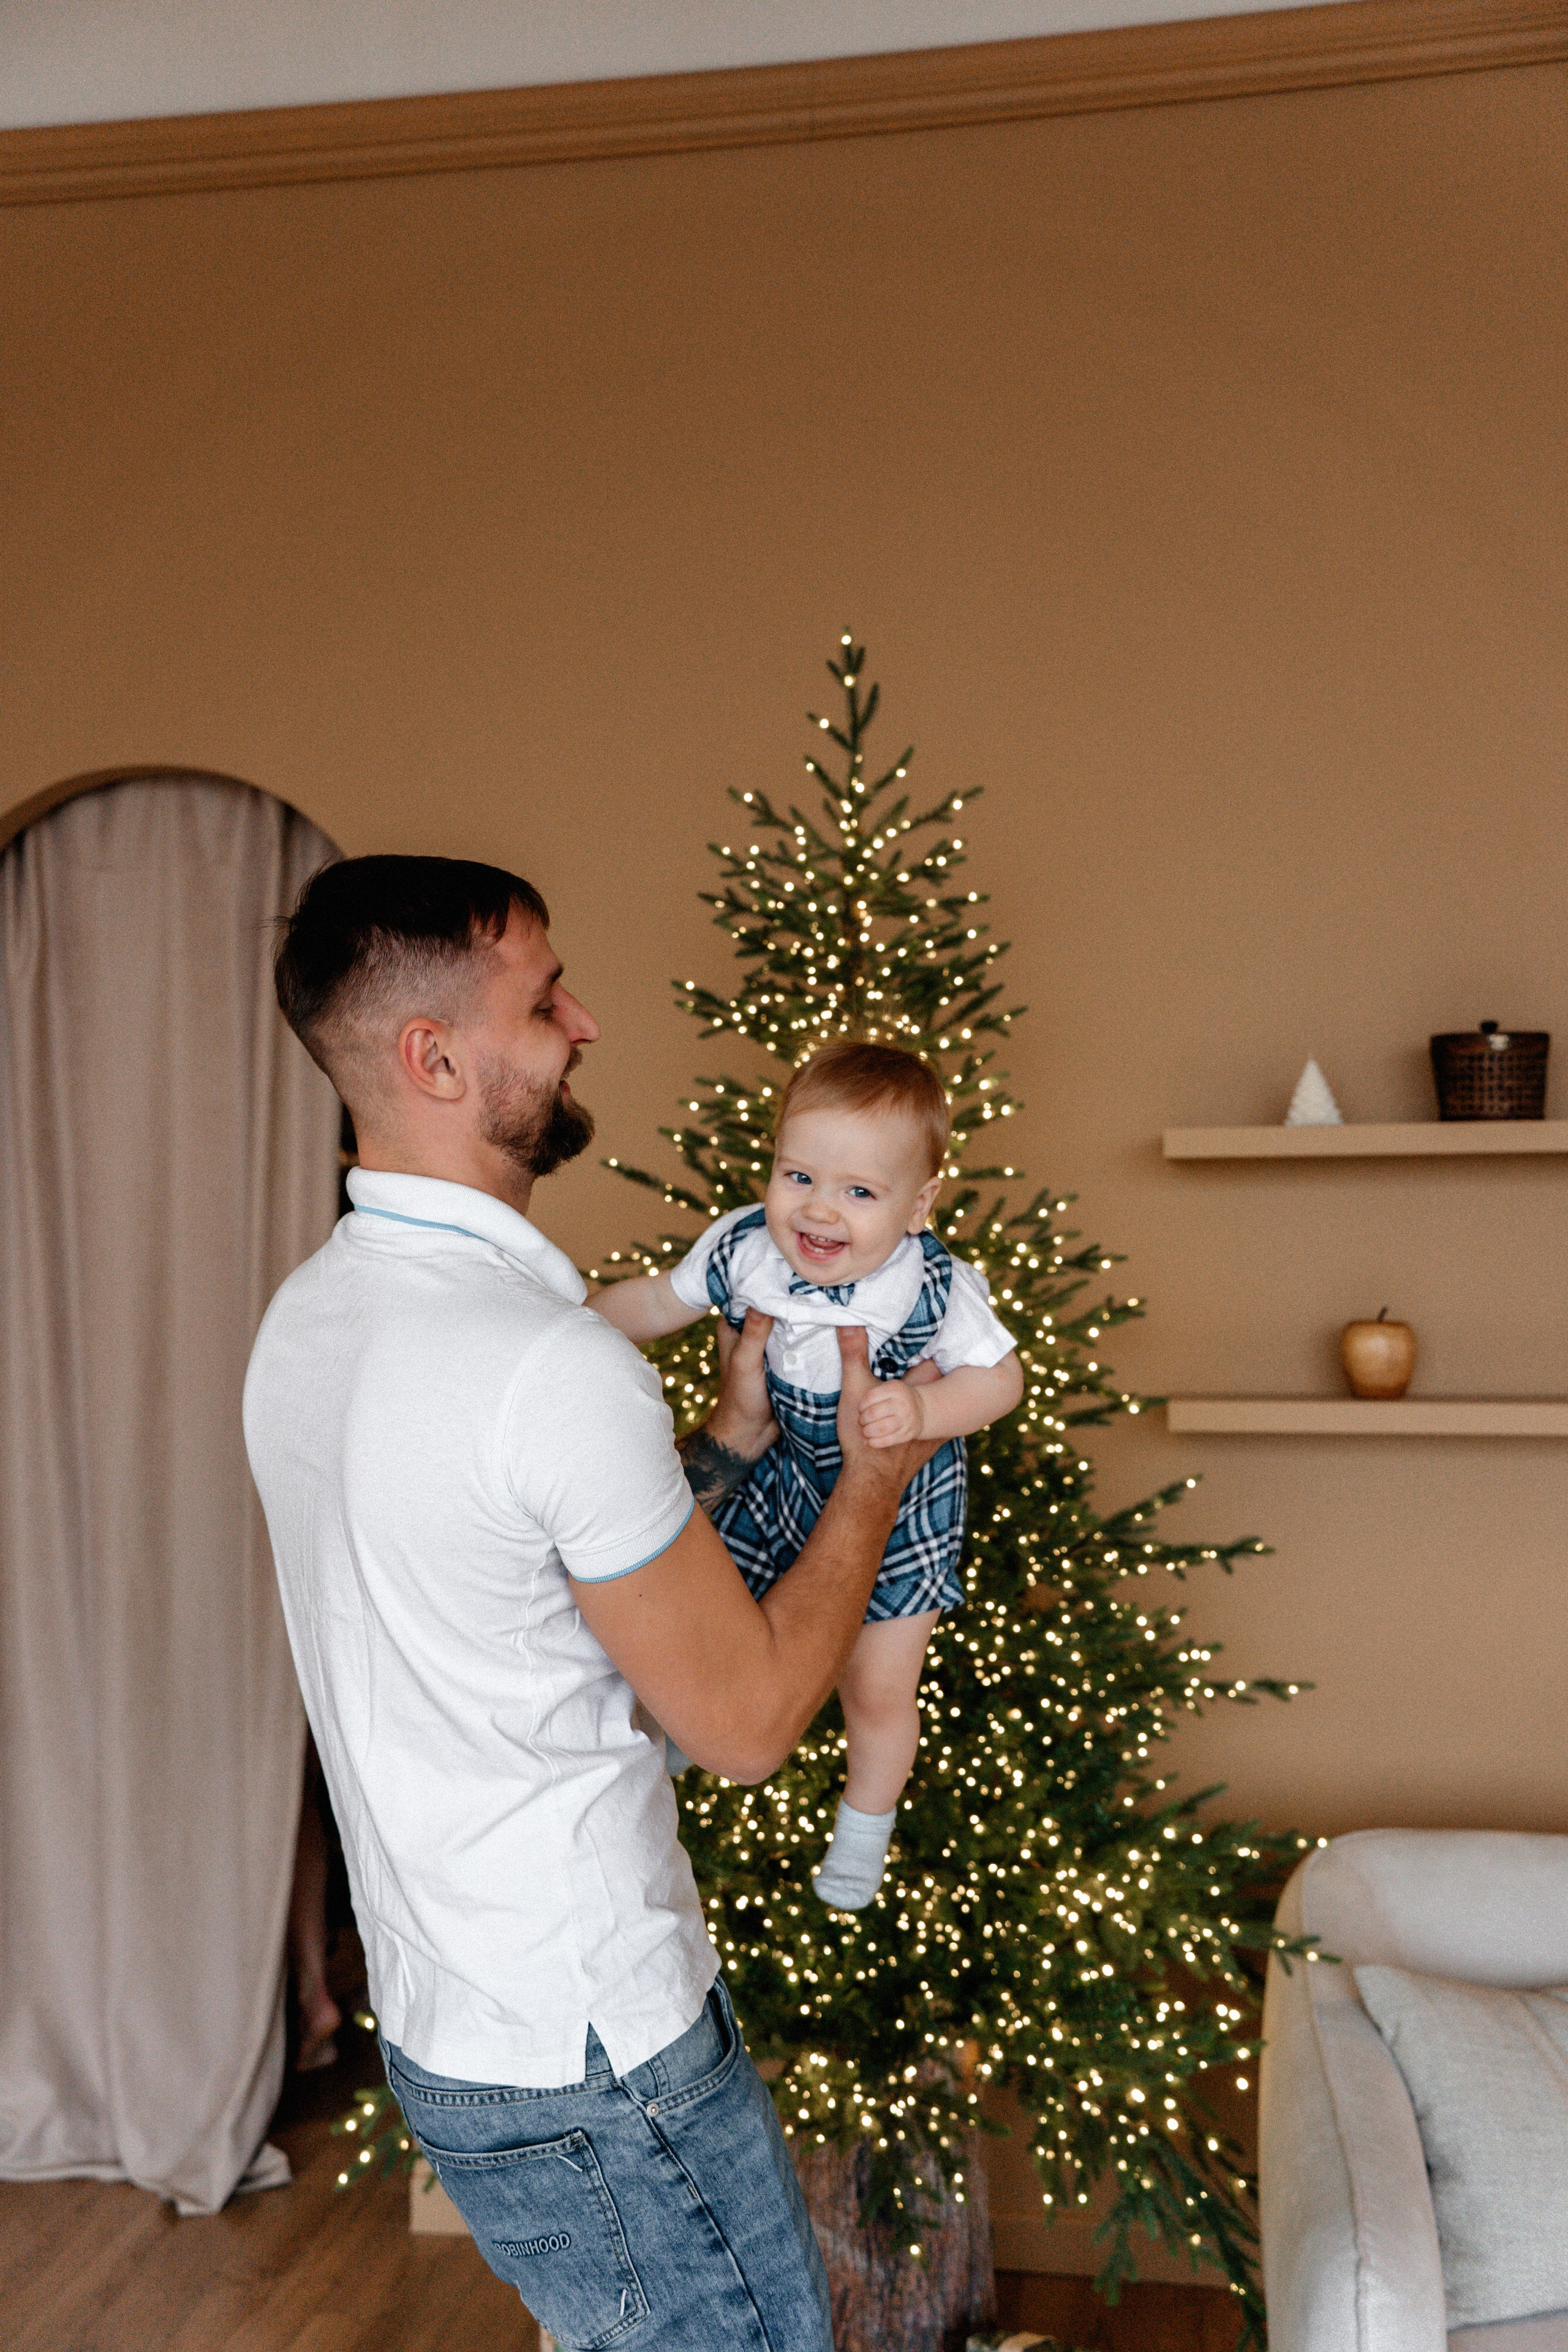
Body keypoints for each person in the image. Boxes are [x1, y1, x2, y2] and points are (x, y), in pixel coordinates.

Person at [243, 855, 940, 2352]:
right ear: (434, 1057)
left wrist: (731, 1445)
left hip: (449, 2028)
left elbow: (502, 1580)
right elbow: (745, 1723)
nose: (585, 1022)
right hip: (600, 2052)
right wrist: (875, 1480)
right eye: (542, 997)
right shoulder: (546, 1365)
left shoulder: (309, 1322)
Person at [594, 1042, 1022, 1910]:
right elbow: (650, 1303)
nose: (820, 1211)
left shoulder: (931, 1285)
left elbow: (1001, 1380)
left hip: (903, 1503)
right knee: (707, 1606)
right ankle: (688, 1725)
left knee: (877, 1684)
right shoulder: (748, 1251)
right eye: (799, 1177)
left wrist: (926, 1415)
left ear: (919, 1205)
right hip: (788, 1473)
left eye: (860, 1193)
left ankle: (865, 1826)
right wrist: (567, 1327)